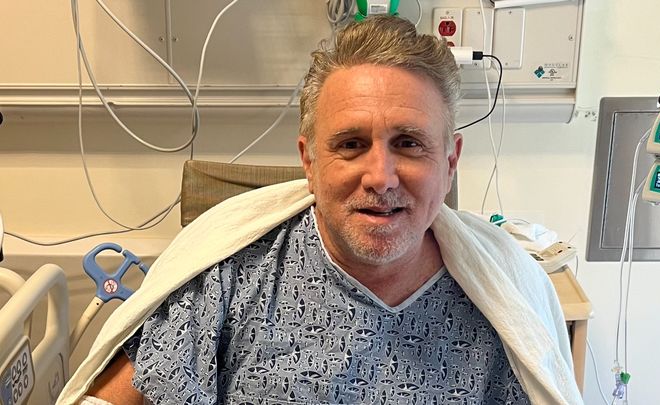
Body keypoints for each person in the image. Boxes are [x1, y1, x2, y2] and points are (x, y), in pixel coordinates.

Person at [59, 15, 582, 405]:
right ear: (309, 161)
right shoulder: (229, 277)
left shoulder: (505, 306)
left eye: (408, 143)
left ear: (449, 162)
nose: (380, 177)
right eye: (351, 144)